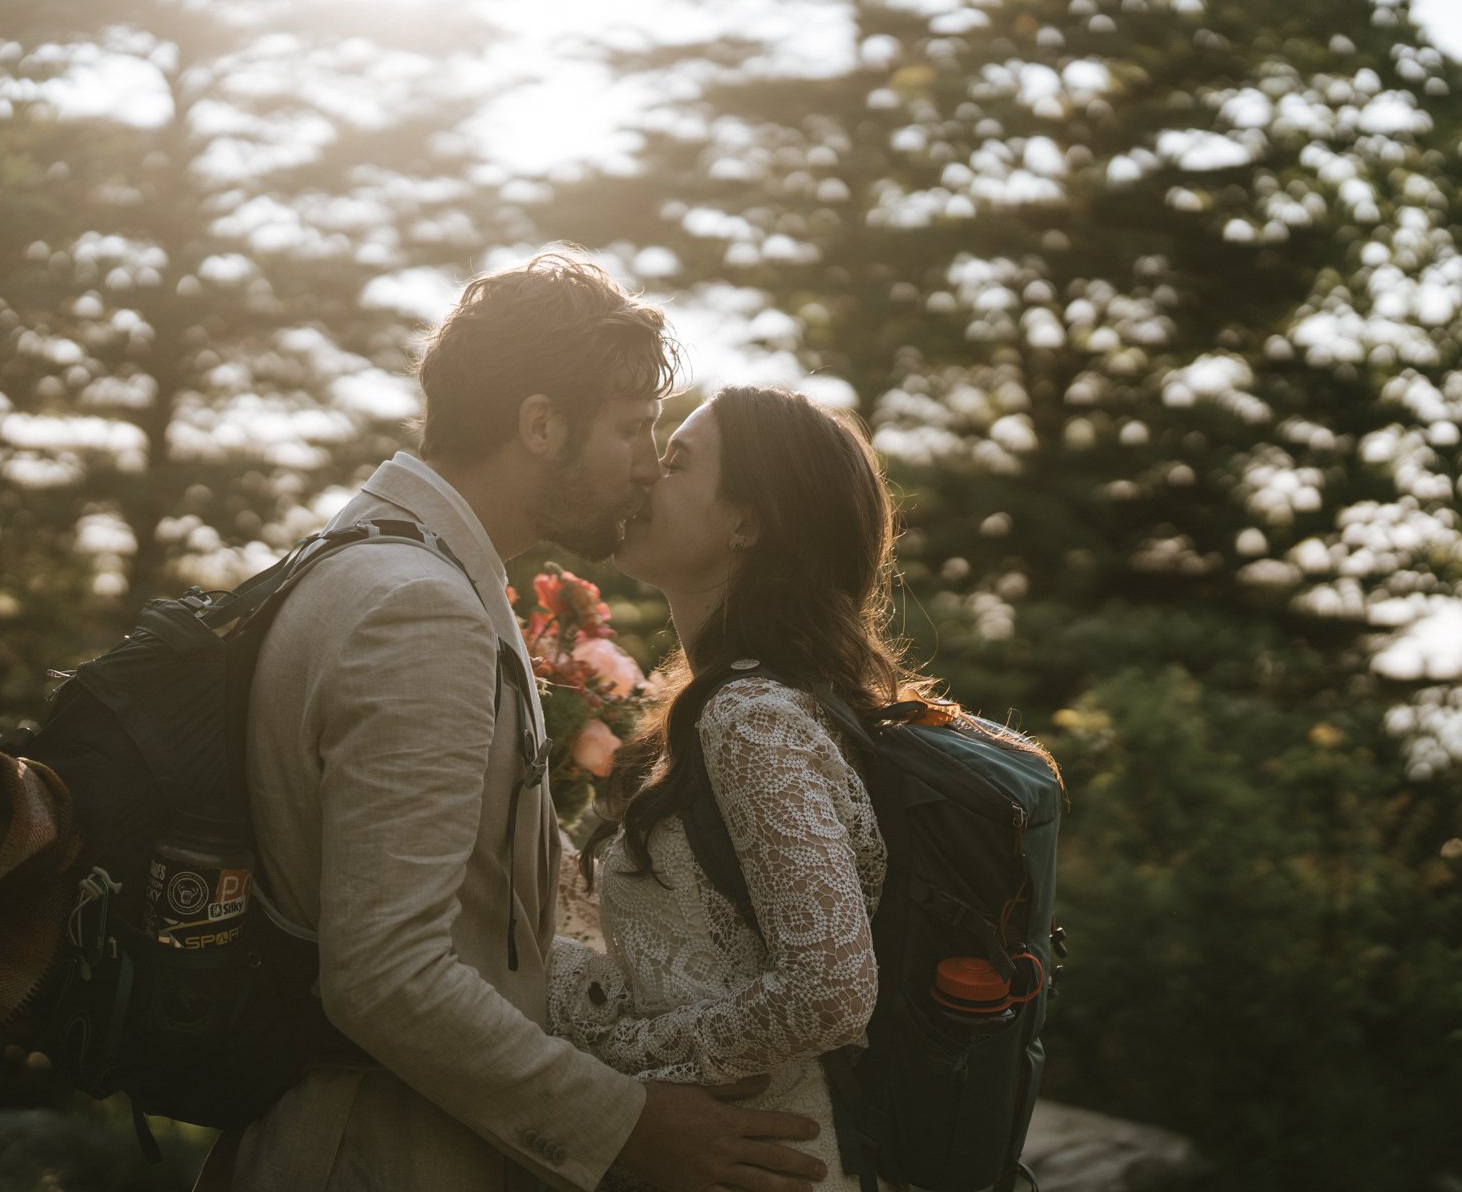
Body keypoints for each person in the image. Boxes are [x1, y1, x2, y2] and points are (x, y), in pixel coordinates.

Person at [209, 253, 829, 1192]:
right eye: (631, 429)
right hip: (386, 1157)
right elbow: (386, 976)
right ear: (540, 424)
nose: (646, 464)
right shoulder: (414, 609)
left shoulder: (379, 559)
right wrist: (621, 1125)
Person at [550, 385, 931, 1192]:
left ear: (747, 523)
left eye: (679, 461)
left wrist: (616, 1065)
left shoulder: (749, 718)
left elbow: (830, 992)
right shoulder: (732, 707)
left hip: (771, 1163)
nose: (647, 471)